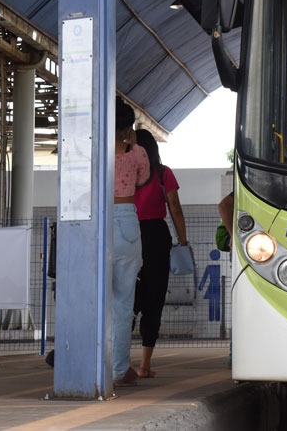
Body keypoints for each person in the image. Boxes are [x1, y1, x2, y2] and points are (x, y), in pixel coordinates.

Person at [132, 128, 189, 379]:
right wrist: (183, 240)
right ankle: (144, 365)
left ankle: (118, 362)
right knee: (154, 298)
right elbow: (174, 207)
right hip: (156, 236)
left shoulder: (123, 172)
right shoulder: (164, 174)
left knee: (127, 299)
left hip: (127, 235)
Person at [109, 97, 147, 387]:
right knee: (123, 303)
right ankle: (119, 369)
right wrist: (130, 141)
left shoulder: (96, 152)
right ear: (128, 126)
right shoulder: (138, 154)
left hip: (97, 221)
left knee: (97, 300)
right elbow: (142, 181)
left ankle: (93, 362)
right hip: (126, 220)